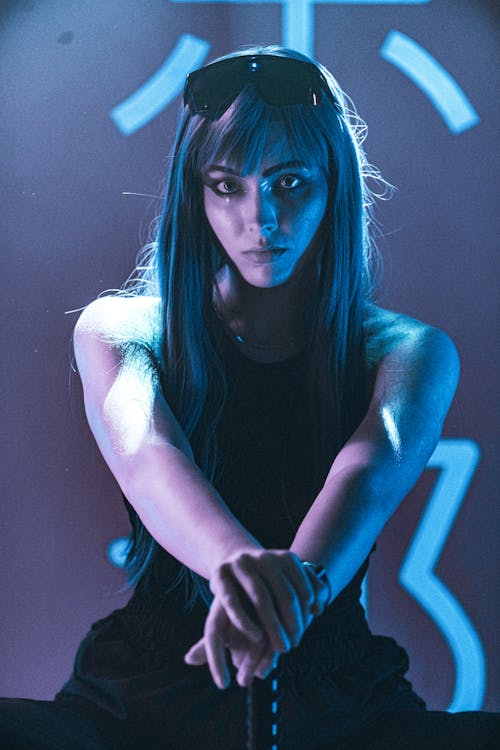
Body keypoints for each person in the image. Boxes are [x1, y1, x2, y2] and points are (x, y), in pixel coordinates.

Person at [1, 45, 498, 750]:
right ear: (194, 192)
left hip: (340, 702)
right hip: (140, 695)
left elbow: (366, 476)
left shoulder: (409, 353)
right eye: (227, 185)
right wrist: (240, 565)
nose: (260, 217)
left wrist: (281, 594)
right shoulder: (119, 328)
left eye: (291, 182)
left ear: (335, 187)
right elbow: (147, 456)